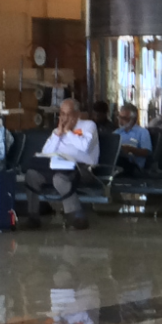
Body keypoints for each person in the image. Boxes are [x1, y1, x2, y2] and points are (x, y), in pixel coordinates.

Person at [26, 98, 98, 229]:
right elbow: (45, 153)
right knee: (31, 175)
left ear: (77, 114)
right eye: (62, 114)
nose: (64, 117)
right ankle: (33, 217)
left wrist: (68, 132)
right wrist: (58, 134)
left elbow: (85, 147)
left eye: (68, 113)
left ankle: (76, 216)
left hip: (81, 169)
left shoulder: (89, 125)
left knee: (59, 179)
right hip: (57, 167)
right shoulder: (56, 131)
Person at [113, 103, 152, 172]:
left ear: (133, 119)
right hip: (117, 163)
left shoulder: (142, 132)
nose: (120, 121)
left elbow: (146, 152)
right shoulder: (117, 132)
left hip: (134, 166)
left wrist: (130, 149)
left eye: (124, 118)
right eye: (119, 117)